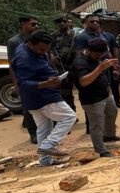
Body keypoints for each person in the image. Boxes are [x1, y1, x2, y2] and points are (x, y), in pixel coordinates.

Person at [12, 31, 77, 166]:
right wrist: (45, 84)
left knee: (44, 128)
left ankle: (45, 160)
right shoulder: (24, 59)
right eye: (41, 49)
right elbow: (23, 84)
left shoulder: (24, 46)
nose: (44, 52)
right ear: (31, 44)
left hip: (34, 99)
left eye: (47, 49)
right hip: (43, 96)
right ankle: (48, 145)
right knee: (69, 117)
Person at [71, 38, 120, 158]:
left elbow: (101, 71)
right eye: (97, 55)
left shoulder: (97, 57)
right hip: (92, 99)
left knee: (112, 112)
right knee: (96, 125)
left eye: (101, 55)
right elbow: (83, 82)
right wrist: (100, 68)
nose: (99, 57)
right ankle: (100, 150)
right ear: (88, 50)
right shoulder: (80, 62)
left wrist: (111, 66)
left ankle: (109, 135)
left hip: (104, 94)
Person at [74, 14, 120, 108]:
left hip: (105, 68)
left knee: (105, 90)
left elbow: (108, 51)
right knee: (92, 97)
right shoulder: (81, 37)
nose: (95, 23)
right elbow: (80, 55)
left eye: (97, 21)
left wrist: (114, 64)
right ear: (86, 23)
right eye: (92, 21)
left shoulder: (101, 35)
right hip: (92, 69)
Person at [7, 15, 40, 143]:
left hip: (38, 76)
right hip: (25, 78)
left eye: (37, 24)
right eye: (33, 24)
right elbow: (12, 64)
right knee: (28, 106)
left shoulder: (37, 39)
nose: (36, 26)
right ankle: (33, 133)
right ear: (23, 25)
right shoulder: (14, 42)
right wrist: (15, 83)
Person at [52, 15, 76, 112]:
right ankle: (72, 112)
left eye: (64, 21)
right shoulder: (54, 35)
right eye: (60, 22)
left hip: (75, 65)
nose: (62, 23)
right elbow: (49, 48)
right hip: (62, 66)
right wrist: (52, 55)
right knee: (66, 92)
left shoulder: (74, 34)